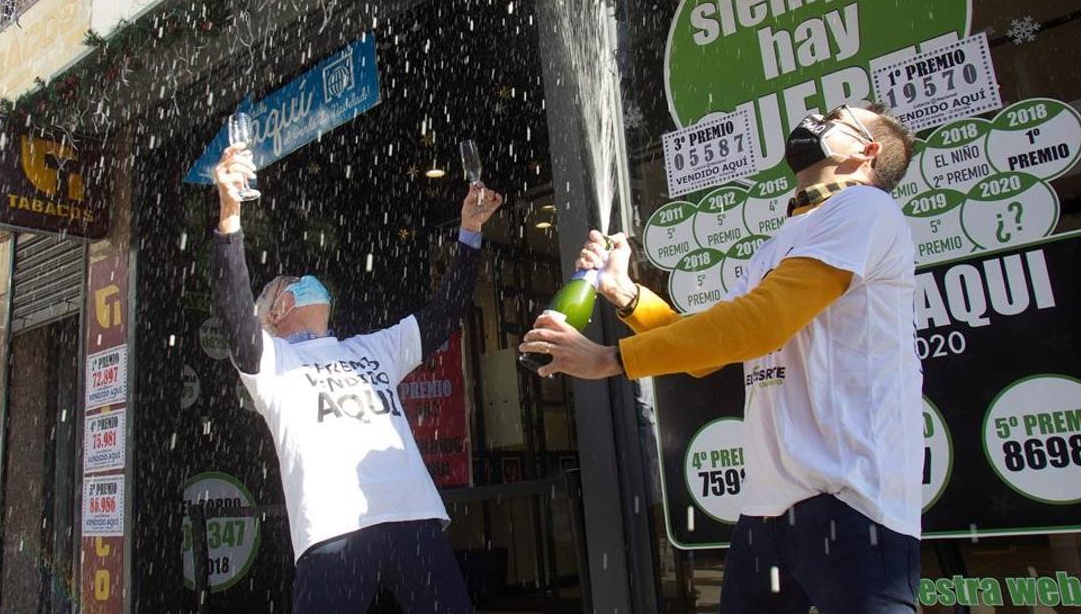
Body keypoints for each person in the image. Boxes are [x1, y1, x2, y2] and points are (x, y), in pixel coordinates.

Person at [521, 103, 923, 613]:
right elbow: (707, 351)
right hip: (768, 513)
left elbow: (761, 323)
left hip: (852, 501)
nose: (815, 119)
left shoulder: (864, 208)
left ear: (866, 152)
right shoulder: (781, 243)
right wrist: (625, 293)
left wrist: (609, 359)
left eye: (835, 117)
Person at [210, 142, 502, 612]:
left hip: (413, 516)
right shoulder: (273, 364)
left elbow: (445, 314)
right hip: (331, 529)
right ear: (280, 309)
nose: (310, 282)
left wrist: (469, 232)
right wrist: (229, 214)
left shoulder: (370, 348)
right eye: (296, 281)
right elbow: (234, 311)